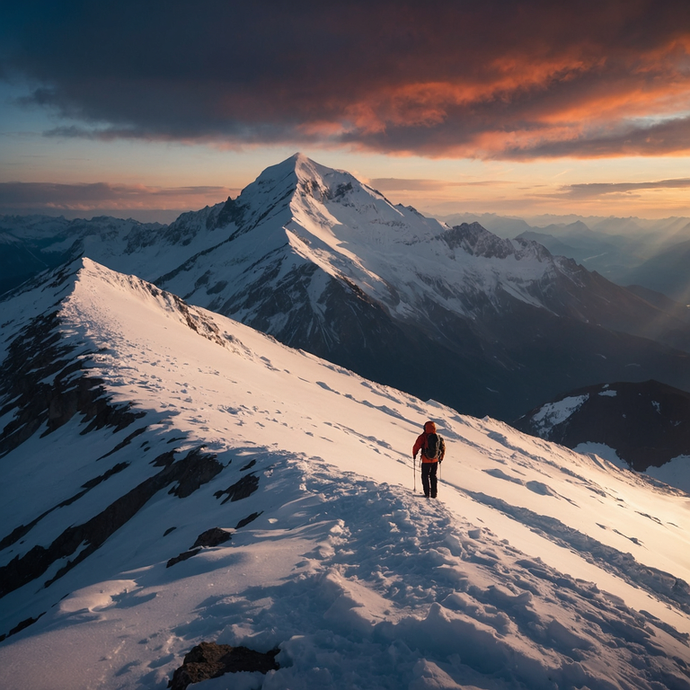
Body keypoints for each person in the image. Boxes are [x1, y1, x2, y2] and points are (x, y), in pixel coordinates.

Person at [412, 420, 445, 498]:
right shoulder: (438, 437)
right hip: (435, 460)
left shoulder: (423, 437)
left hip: (425, 459)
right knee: (433, 476)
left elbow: (416, 446)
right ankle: (434, 494)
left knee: (425, 475)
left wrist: (414, 454)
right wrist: (441, 457)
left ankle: (427, 493)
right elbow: (443, 448)